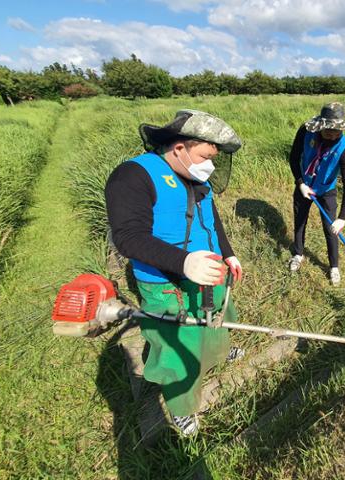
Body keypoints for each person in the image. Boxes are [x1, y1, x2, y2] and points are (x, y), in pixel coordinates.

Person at [104, 109, 244, 436]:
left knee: (217, 320)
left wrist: (229, 253)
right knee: (177, 350)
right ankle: (182, 408)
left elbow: (211, 220)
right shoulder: (133, 175)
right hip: (167, 284)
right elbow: (128, 236)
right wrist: (183, 262)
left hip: (210, 272)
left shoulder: (196, 176)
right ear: (179, 148)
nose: (210, 164)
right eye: (205, 156)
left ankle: (220, 353)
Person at [288, 102, 345, 285]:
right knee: (300, 219)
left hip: (326, 189)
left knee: (330, 228)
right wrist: (300, 183)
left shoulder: (344, 148)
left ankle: (334, 266)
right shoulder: (306, 131)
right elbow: (294, 157)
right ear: (321, 125)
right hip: (305, 185)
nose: (333, 134)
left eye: (337, 130)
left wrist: (342, 218)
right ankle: (298, 254)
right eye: (328, 130)